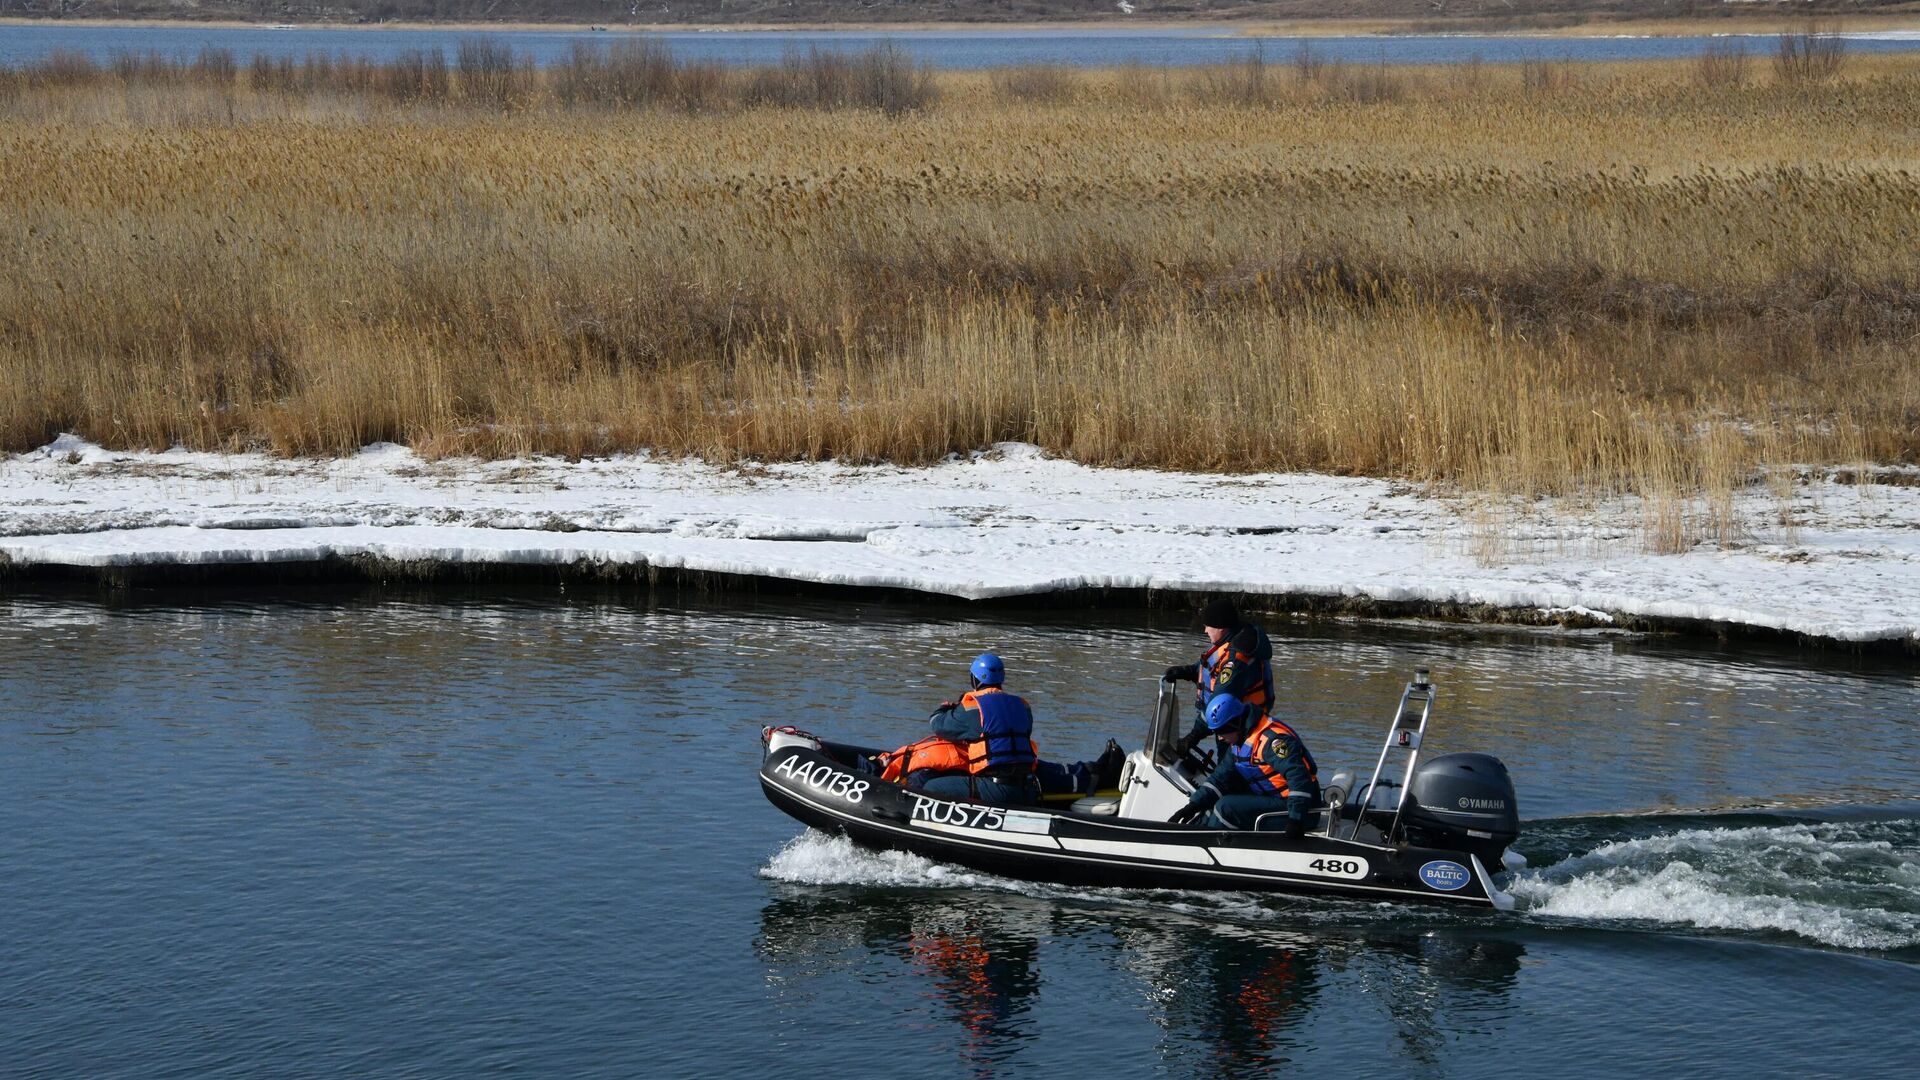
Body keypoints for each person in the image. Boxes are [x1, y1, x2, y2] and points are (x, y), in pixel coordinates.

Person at [871, 653, 1124, 805]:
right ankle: (1101, 770)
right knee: (1055, 771)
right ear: (1001, 679)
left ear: (974, 680)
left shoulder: (973, 708)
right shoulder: (1023, 706)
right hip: (1027, 783)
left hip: (997, 789)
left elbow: (939, 724)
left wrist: (946, 707)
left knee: (924, 786)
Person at [1167, 694, 1321, 836]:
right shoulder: (1239, 741)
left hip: (1301, 811)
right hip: (1273, 800)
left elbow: (1299, 777)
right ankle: (1190, 835)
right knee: (1214, 799)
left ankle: (1204, 845)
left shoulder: (1272, 741)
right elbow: (1220, 778)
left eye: (1222, 731)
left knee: (1226, 808)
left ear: (1235, 724)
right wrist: (1193, 806)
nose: (1219, 738)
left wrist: (1296, 820)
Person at [1161, 598, 1274, 758]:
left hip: (1239, 730)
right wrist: (1186, 671)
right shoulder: (1233, 639)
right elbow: (1213, 667)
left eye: (1208, 626)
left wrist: (1193, 736)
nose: (1205, 630)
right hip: (1230, 726)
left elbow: (1219, 704)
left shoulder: (1237, 660)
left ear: (1220, 627)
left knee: (1228, 776)